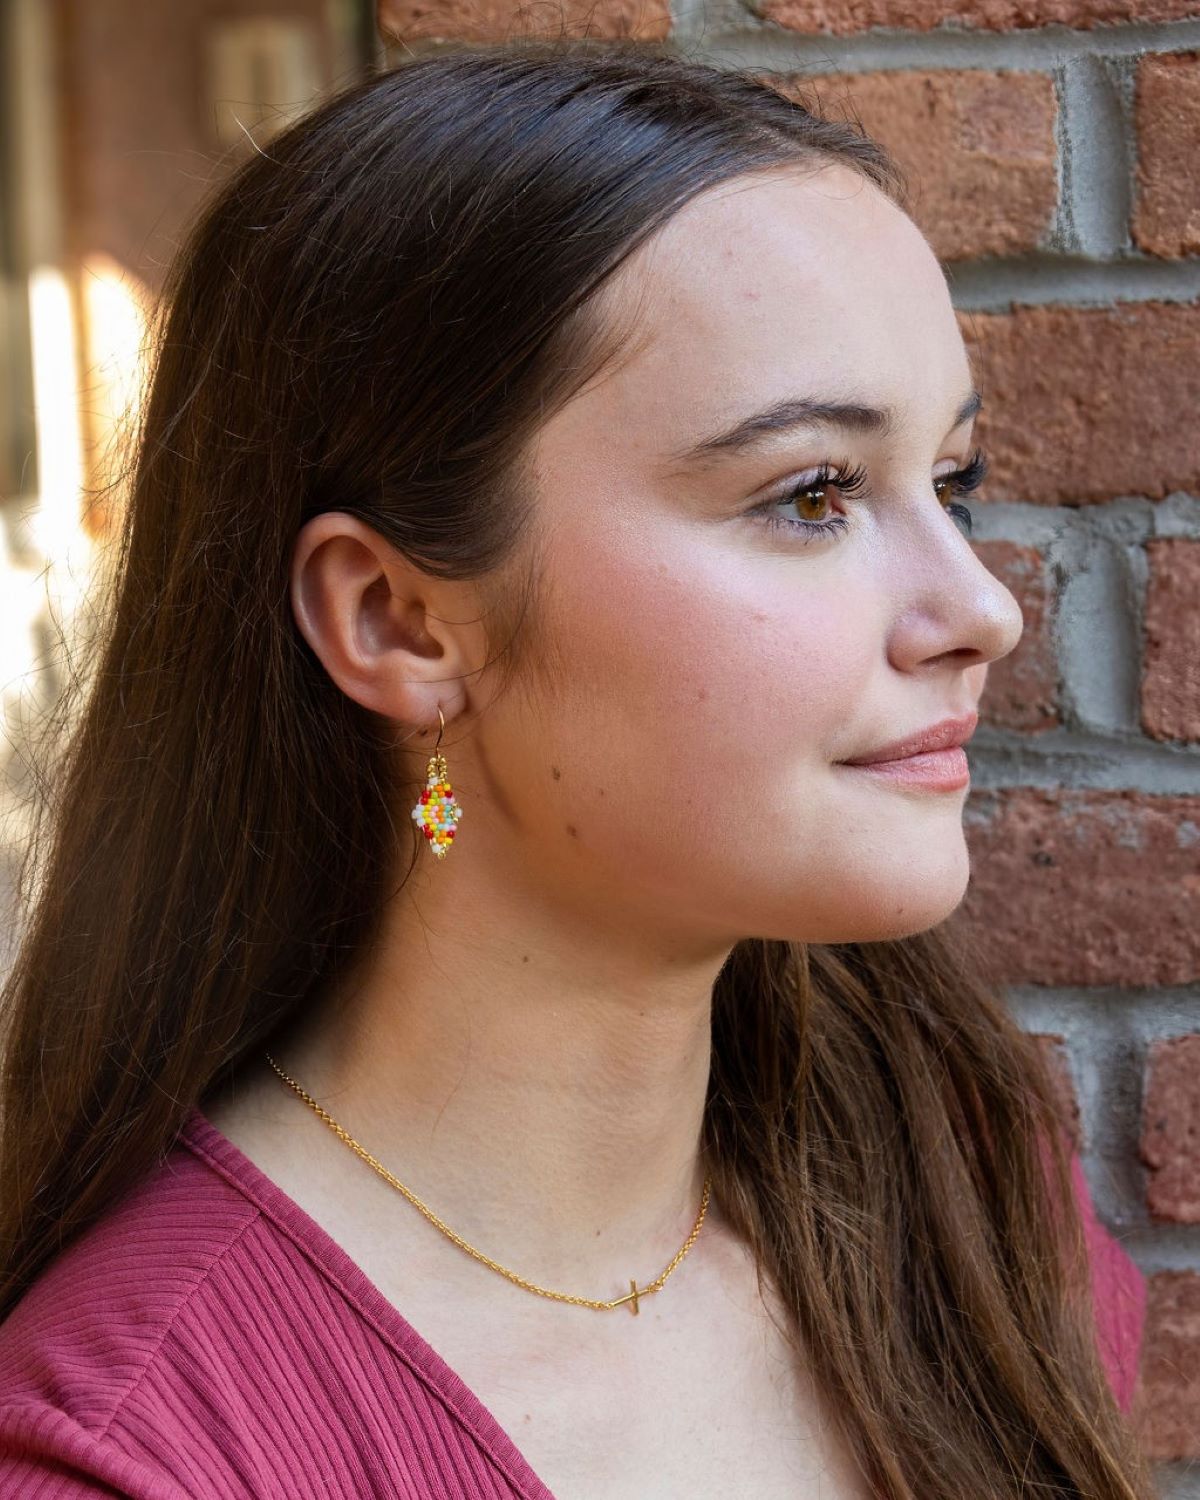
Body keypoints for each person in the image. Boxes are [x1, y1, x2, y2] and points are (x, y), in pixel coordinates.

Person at [0, 39, 1151, 1499]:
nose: (981, 609)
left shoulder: (963, 1194)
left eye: (952, 482)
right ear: (399, 621)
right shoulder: (143, 1449)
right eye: (812, 494)